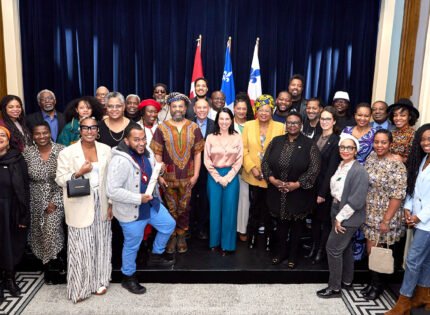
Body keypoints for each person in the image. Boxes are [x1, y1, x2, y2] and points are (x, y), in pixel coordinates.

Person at [106, 124, 175, 295]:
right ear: (127, 141)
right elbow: (112, 191)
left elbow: (148, 174)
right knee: (132, 246)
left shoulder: (148, 153)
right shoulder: (119, 160)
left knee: (168, 224)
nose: (141, 143)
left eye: (143, 138)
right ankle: (128, 277)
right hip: (131, 210)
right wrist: (138, 198)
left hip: (151, 204)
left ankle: (156, 255)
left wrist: (159, 173)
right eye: (136, 139)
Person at [55, 116, 112, 303]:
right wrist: (78, 173)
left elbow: (110, 181)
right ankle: (80, 286)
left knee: (101, 242)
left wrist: (111, 204)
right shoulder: (67, 152)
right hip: (80, 204)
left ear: (97, 130)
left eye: (93, 128)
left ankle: (99, 281)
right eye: (85, 128)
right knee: (81, 247)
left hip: (102, 203)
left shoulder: (106, 150)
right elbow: (60, 179)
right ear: (80, 130)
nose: (89, 131)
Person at [262, 112, 321, 268]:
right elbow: (265, 163)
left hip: (299, 194)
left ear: (301, 125)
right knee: (281, 225)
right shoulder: (276, 141)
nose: (292, 125)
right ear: (285, 125)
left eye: (295, 123)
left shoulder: (309, 144)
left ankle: (293, 256)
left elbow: (314, 169)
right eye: (289, 123)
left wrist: (297, 184)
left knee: (296, 227)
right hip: (277, 192)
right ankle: (280, 252)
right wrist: (273, 180)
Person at [150, 92, 204, 254]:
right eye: (174, 106)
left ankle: (182, 234)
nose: (178, 109)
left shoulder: (194, 128)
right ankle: (171, 236)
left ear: (186, 108)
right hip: (168, 177)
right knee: (170, 207)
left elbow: (198, 153)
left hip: (187, 176)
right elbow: (157, 153)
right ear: (170, 108)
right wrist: (158, 176)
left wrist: (196, 175)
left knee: (185, 207)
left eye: (181, 106)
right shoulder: (162, 128)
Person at [316, 134, 369, 298]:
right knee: (344, 248)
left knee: (332, 248)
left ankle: (334, 288)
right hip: (337, 208)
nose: (345, 150)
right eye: (343, 147)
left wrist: (340, 218)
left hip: (348, 214)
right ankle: (347, 281)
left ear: (356, 151)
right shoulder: (341, 165)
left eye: (350, 148)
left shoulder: (359, 171)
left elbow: (356, 201)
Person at [385, 124, 430, 314]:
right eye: (423, 139)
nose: (426, 143)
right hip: (418, 218)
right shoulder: (422, 160)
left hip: (426, 220)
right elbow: (414, 188)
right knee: (426, 260)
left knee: (412, 260)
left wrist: (419, 216)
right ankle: (423, 296)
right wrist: (407, 208)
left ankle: (403, 301)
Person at [361, 129, 407, 300]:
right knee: (371, 250)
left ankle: (377, 286)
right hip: (369, 212)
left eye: (383, 142)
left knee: (379, 251)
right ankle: (373, 281)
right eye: (376, 142)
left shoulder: (397, 164)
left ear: (390, 144)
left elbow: (398, 195)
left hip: (386, 214)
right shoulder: (371, 157)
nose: (379, 146)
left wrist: (386, 220)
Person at [23, 122, 66, 284]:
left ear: (50, 133)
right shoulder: (27, 153)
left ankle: (53, 265)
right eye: (38, 134)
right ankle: (46, 263)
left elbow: (68, 177)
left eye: (45, 133)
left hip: (58, 196)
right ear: (33, 136)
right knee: (38, 233)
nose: (42, 136)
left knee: (52, 230)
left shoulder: (61, 150)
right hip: (35, 198)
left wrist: (54, 201)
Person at [242, 94, 284, 250]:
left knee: (269, 210)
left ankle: (268, 239)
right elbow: (244, 150)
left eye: (267, 110)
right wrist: (252, 168)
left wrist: (268, 173)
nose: (264, 113)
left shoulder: (280, 127)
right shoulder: (248, 125)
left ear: (272, 111)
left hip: (271, 177)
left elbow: (281, 152)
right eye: (261, 110)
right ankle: (251, 237)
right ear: (256, 110)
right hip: (253, 176)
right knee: (254, 208)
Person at [204, 108, 243, 253]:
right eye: (221, 119)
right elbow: (207, 160)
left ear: (231, 120)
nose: (224, 122)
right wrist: (218, 178)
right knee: (215, 210)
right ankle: (214, 242)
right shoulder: (210, 137)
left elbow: (239, 160)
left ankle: (228, 244)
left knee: (230, 210)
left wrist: (227, 177)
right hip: (214, 176)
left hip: (231, 177)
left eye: (227, 119)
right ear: (217, 120)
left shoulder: (237, 137)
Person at [306, 106, 340, 264]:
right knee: (314, 220)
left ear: (334, 121)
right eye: (322, 119)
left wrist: (322, 193)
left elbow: (331, 171)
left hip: (325, 189)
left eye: (328, 119)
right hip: (311, 187)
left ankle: (321, 251)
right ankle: (313, 247)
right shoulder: (317, 137)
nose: (324, 122)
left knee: (324, 222)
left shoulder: (336, 141)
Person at [0, 126, 30, 299]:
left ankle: (10, 279)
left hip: (12, 209)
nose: (0, 138)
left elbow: (24, 188)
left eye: (2, 135)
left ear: (8, 139)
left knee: (10, 245)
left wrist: (24, 214)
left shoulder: (17, 159)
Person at [190, 98, 215, 239]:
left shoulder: (214, 125)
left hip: (208, 169)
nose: (201, 110)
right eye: (198, 108)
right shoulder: (188, 124)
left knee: (205, 199)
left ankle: (202, 227)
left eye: (204, 107)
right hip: (189, 169)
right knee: (191, 199)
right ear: (194, 109)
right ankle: (190, 226)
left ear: (209, 109)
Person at [233, 95, 251, 241]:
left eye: (244, 108)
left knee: (244, 200)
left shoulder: (251, 125)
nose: (241, 111)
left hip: (246, 169)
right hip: (229, 168)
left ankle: (242, 229)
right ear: (234, 109)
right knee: (230, 200)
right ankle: (230, 228)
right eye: (238, 108)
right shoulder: (226, 122)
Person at [388, 98, 420, 164]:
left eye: (403, 115)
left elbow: (417, 159)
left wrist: (403, 159)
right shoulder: (390, 133)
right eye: (395, 115)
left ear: (409, 117)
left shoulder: (415, 135)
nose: (398, 118)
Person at [137, 99, 162, 167]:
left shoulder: (162, 126)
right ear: (143, 112)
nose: (153, 114)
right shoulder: (136, 127)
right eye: (150, 112)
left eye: (155, 112)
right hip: (143, 163)